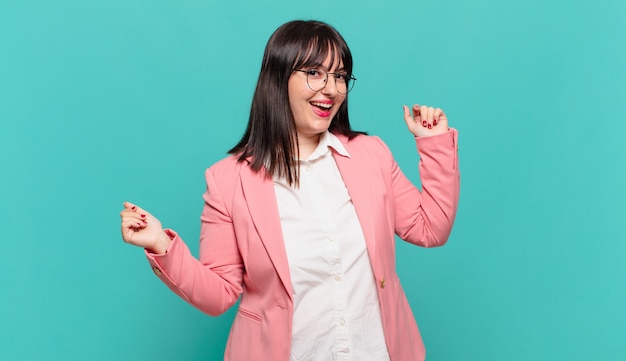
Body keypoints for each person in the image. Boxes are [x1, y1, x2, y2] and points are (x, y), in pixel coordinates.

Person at [120, 20, 459, 361]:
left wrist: (435, 144)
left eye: (340, 76)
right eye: (314, 73)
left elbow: (431, 228)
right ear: (279, 79)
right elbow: (219, 293)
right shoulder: (228, 181)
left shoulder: (371, 155)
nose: (331, 89)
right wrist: (161, 244)